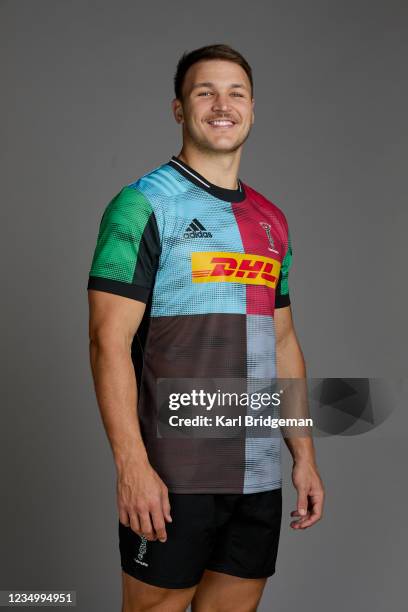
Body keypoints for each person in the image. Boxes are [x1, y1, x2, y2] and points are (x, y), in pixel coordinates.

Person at [87, 43, 325, 612]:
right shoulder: (141, 204)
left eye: (235, 92)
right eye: (205, 92)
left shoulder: (271, 220)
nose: (223, 104)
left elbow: (284, 342)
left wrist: (305, 454)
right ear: (179, 109)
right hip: (174, 470)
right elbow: (107, 341)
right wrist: (131, 466)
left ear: (252, 108)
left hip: (258, 470)